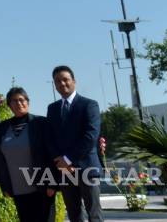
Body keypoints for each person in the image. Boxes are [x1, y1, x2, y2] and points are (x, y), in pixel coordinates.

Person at [47, 66, 104, 222]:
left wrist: (68, 159)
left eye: (65, 79)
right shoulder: (52, 109)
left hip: (87, 167)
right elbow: (50, 138)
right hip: (65, 171)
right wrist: (61, 161)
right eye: (57, 81)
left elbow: (90, 136)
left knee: (94, 213)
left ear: (74, 81)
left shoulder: (89, 105)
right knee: (74, 213)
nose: (62, 83)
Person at [0, 87, 57, 222]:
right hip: (18, 189)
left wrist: (52, 183)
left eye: (21, 100)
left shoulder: (41, 123)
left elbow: (51, 154)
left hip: (42, 187)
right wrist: (4, 185)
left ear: (28, 102)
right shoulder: (2, 128)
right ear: (9, 105)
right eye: (14, 101)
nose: (18, 103)